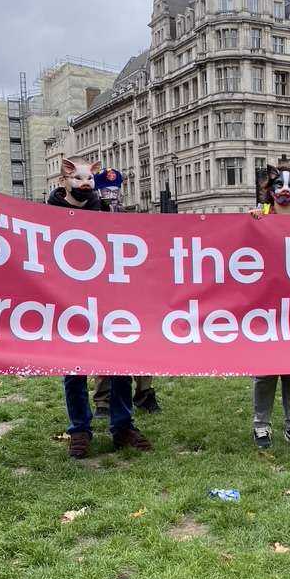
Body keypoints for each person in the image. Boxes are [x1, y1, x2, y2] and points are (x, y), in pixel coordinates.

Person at [47, 157, 151, 459]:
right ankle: (80, 429)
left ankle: (123, 426)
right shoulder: (46, 214)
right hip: (67, 300)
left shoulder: (105, 211)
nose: (84, 184)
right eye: (77, 178)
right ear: (64, 180)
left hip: (107, 299)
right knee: (74, 368)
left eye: (88, 179)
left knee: (120, 363)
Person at [87, 168, 163, 419]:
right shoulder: (87, 216)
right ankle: (103, 399)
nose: (111, 195)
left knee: (140, 341)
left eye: (115, 190)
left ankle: (144, 393)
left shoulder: (129, 217)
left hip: (131, 289)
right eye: (105, 191)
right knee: (103, 344)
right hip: (101, 289)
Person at [249, 164, 290, 449]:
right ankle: (261, 426)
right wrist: (251, 222)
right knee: (265, 371)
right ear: (270, 190)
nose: (285, 190)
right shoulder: (259, 219)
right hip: (265, 308)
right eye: (279, 185)